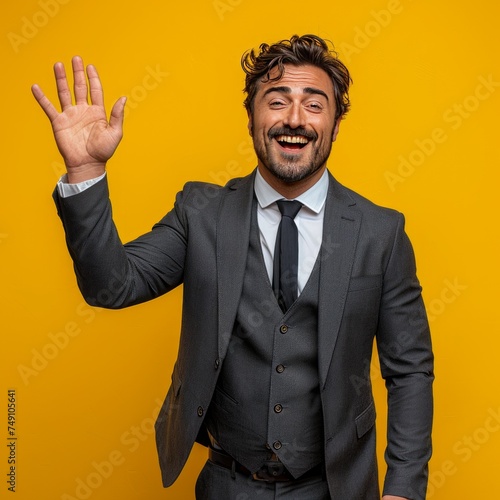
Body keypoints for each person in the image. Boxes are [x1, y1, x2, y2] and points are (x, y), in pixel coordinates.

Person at [32, 34, 433, 500]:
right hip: (228, 484)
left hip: (337, 487)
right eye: (277, 101)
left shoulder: (380, 232)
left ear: (336, 124)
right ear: (251, 118)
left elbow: (409, 371)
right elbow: (111, 286)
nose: (294, 119)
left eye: (314, 104)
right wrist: (85, 173)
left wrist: (403, 490)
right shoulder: (199, 213)